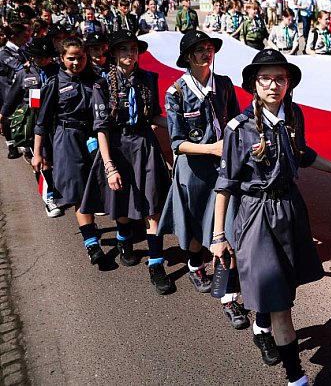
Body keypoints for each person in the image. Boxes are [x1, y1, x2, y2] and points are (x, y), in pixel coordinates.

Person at [210, 49, 331, 380]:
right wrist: (218, 236)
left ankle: (261, 328)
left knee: (282, 284)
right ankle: (296, 376)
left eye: (280, 78)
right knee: (279, 298)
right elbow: (224, 184)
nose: (273, 85)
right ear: (253, 83)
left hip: (290, 209)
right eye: (265, 78)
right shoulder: (239, 128)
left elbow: (303, 155)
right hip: (256, 214)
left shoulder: (295, 116)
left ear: (289, 83)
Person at [157, 30, 248, 327]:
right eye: (199, 50)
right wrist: (210, 148)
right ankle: (195, 265)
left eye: (209, 48)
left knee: (226, 233)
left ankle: (228, 298)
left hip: (221, 168)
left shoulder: (224, 85)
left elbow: (236, 122)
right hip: (193, 171)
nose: (206, 53)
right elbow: (177, 143)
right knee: (197, 230)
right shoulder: (176, 93)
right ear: (187, 57)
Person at [79, 30, 174, 294]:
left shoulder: (148, 78)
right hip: (117, 148)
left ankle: (156, 264)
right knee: (120, 202)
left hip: (144, 146)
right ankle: (124, 238)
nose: (129, 54)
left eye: (133, 49)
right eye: (123, 49)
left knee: (152, 206)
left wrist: (180, 126)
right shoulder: (102, 86)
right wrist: (109, 166)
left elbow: (153, 116)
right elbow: (102, 128)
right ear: (114, 54)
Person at [32, 37, 103, 262]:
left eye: (80, 57)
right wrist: (37, 153)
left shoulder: (97, 80)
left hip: (94, 138)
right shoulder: (54, 83)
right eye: (70, 58)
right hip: (68, 139)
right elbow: (41, 123)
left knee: (101, 187)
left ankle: (123, 237)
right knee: (80, 192)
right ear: (62, 58)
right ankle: (92, 245)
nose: (76, 62)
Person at [1, 37, 59, 215]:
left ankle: (64, 191)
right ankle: (48, 197)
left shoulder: (59, 71)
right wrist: (3, 116)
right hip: (33, 124)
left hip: (57, 123)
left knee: (61, 160)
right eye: (37, 57)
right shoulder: (25, 73)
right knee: (41, 161)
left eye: (45, 56)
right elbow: (12, 97)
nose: (41, 60)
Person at [0, 22, 32, 159]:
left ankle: (23, 141)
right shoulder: (4, 53)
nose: (27, 39)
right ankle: (12, 145)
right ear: (13, 37)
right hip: (7, 88)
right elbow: (18, 67)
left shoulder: (23, 49)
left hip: (22, 88)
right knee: (8, 116)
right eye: (24, 36)